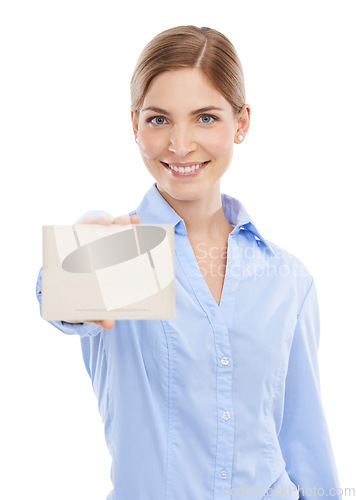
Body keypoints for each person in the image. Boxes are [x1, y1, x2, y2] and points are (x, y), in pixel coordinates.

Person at [36, 25, 342, 500]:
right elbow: (60, 301)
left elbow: (306, 443)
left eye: (205, 117)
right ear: (134, 124)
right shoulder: (123, 249)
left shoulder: (288, 279)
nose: (180, 144)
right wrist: (81, 262)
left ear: (240, 122)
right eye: (159, 120)